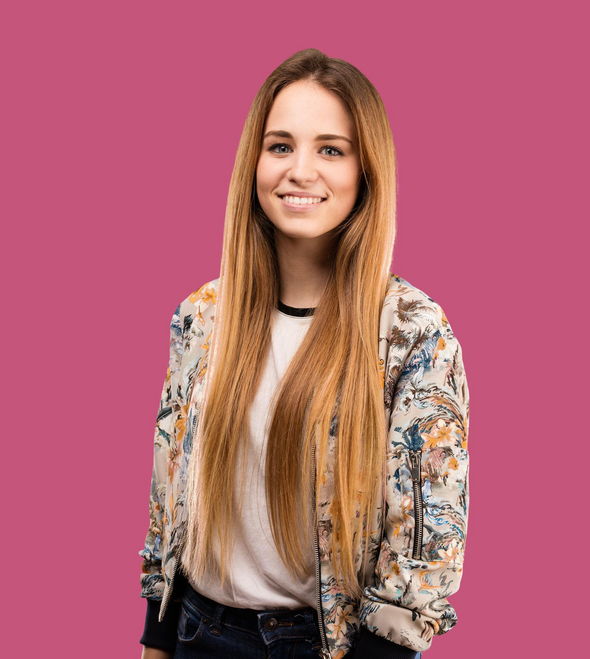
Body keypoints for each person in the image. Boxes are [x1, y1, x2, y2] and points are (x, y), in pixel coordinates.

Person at [138, 48, 470, 659]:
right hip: (195, 632)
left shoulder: (411, 331)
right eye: (281, 146)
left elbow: (428, 539)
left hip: (321, 646)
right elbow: (172, 490)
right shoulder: (201, 316)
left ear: (366, 172)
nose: (300, 171)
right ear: (254, 161)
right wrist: (156, 636)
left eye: (331, 150)